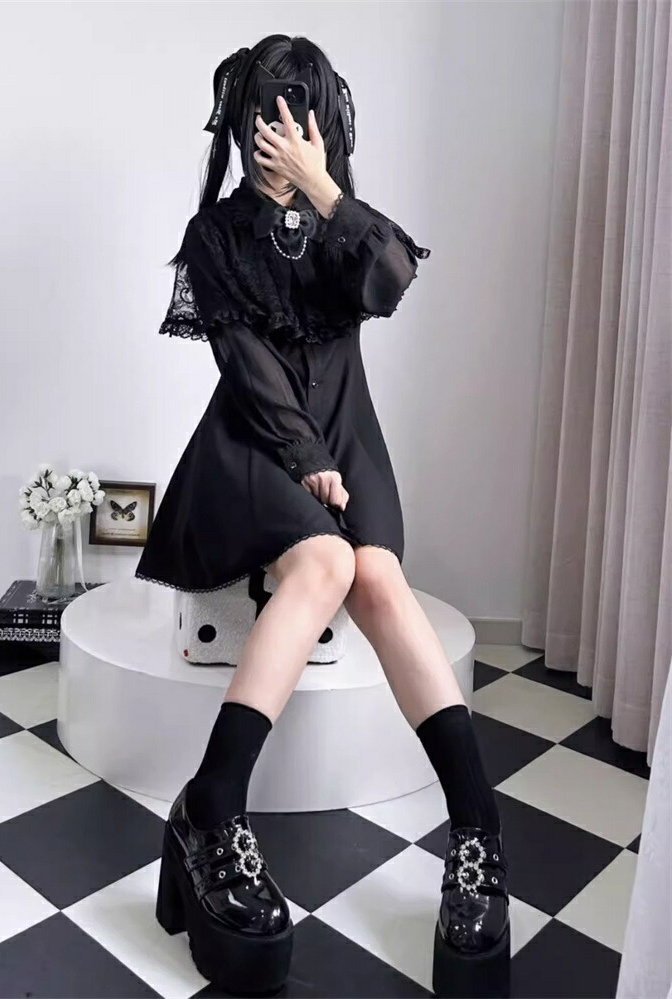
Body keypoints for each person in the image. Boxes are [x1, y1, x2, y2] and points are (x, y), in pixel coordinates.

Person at [136, 34, 510, 999]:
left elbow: (393, 275)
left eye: (297, 121)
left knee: (376, 570)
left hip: (349, 435)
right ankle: (215, 808)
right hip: (252, 445)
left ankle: (479, 830)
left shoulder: (344, 227)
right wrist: (308, 462)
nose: (280, 140)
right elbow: (250, 373)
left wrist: (324, 189)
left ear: (321, 126)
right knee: (327, 563)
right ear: (242, 128)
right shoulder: (217, 236)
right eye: (265, 121)